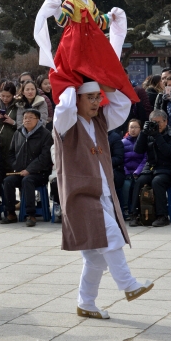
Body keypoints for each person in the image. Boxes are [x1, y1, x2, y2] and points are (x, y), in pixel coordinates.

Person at [54, 81, 153, 319]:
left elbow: (122, 104)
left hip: (103, 192)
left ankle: (86, 303)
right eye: (91, 97)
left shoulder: (99, 121)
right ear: (77, 98)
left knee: (95, 259)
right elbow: (65, 107)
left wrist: (103, 81)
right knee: (111, 235)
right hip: (79, 195)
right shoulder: (65, 123)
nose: (97, 102)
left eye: (98, 97)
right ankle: (128, 285)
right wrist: (70, 80)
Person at [34, 0, 139, 105]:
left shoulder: (90, 3)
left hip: (91, 43)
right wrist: (57, 10)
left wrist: (111, 17)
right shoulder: (70, 2)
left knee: (102, 73)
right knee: (75, 74)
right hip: (75, 44)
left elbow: (98, 22)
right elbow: (64, 22)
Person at [1, 108, 52, 227]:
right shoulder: (18, 133)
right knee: (8, 181)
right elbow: (11, 153)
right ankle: (11, 213)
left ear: (38, 119)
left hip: (40, 173)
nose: (27, 120)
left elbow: (45, 157)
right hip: (20, 171)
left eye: (30, 117)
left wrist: (29, 170)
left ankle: (31, 215)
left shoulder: (45, 134)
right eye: (25, 118)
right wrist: (16, 166)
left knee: (27, 180)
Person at [130, 109, 171, 227]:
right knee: (140, 181)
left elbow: (169, 152)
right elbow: (137, 150)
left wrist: (157, 135)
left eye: (159, 122)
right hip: (151, 167)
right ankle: (134, 215)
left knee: (157, 182)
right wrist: (143, 132)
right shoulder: (148, 133)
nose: (157, 125)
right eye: (153, 122)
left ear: (165, 121)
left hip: (167, 168)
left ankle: (162, 216)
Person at [121, 119, 147, 219]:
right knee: (126, 185)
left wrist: (137, 172)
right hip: (126, 172)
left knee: (138, 184)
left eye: (136, 127)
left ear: (140, 129)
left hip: (139, 172)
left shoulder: (144, 142)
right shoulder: (122, 142)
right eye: (131, 127)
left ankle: (137, 209)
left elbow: (145, 159)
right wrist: (126, 172)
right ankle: (126, 208)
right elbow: (120, 160)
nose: (133, 130)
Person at [108, 129, 125, 214]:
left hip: (115, 170)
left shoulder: (114, 137)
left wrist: (102, 162)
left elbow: (118, 158)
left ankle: (118, 212)